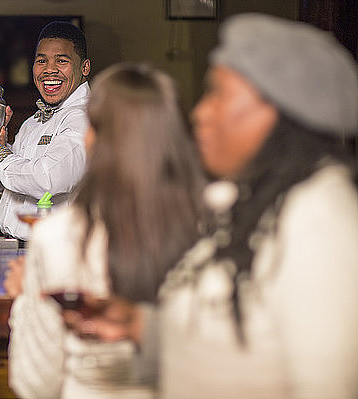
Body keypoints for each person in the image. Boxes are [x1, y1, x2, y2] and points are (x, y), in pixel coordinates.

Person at [66, 13, 358, 399]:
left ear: (274, 111)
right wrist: (140, 326)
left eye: (218, 93)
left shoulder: (319, 223)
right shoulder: (252, 201)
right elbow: (241, 341)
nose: (200, 113)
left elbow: (326, 386)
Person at [7, 63, 206, 398]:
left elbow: (37, 385)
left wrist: (26, 299)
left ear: (92, 138)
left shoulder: (60, 237)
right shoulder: (209, 227)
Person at [0, 21, 91, 241]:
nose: (49, 69)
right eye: (41, 61)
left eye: (61, 61)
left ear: (84, 68)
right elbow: (7, 184)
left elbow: (49, 179)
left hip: (59, 252)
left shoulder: (85, 117)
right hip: (20, 247)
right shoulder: (33, 122)